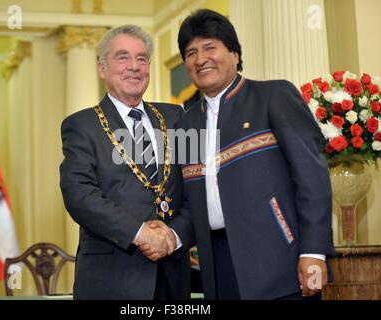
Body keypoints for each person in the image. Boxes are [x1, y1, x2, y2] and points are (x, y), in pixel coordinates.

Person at [176, 9, 335, 300]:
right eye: (191, 52)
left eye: (210, 47)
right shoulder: (186, 124)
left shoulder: (273, 96)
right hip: (216, 267)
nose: (200, 59)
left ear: (235, 54)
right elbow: (187, 198)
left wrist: (314, 253)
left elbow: (311, 176)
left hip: (281, 262)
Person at [60, 24, 191, 299]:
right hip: (112, 280)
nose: (134, 66)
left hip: (173, 278)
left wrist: (174, 237)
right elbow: (80, 196)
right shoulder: (81, 125)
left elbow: (195, 188)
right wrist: (141, 233)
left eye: (142, 58)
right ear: (102, 68)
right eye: (123, 57)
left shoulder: (175, 117)